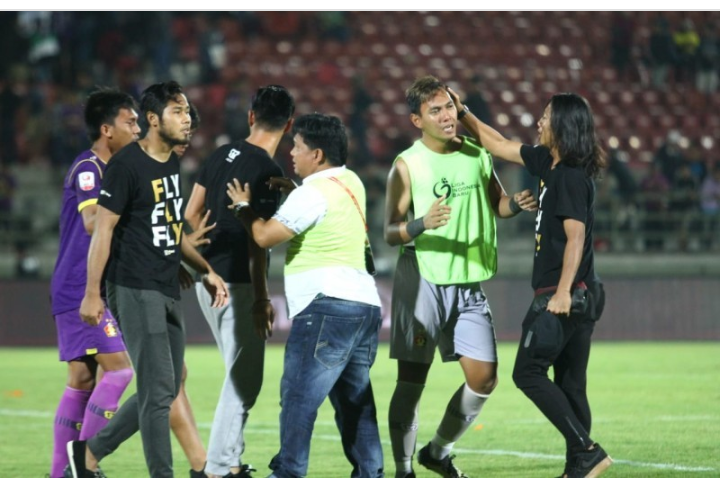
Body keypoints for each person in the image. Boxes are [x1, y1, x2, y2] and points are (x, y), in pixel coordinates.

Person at [447, 86, 612, 478]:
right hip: (583, 293)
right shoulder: (547, 163)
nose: (538, 121)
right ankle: (579, 467)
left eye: (546, 116)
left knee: (527, 372)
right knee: (571, 386)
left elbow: (575, 238)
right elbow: (498, 144)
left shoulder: (570, 177)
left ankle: (586, 451)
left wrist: (562, 293)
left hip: (566, 293)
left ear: (563, 127)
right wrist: (464, 112)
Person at [68, 81, 229, 478]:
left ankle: (88, 454)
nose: (187, 117)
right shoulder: (126, 166)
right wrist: (92, 294)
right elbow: (102, 231)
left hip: (167, 285)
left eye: (188, 110)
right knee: (159, 393)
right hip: (133, 286)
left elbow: (170, 228)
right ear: (154, 120)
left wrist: (203, 270)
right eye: (178, 110)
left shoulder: (171, 162)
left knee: (167, 389)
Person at [384, 75, 536, 479]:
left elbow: (496, 204)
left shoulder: (475, 153)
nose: (447, 116)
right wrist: (422, 223)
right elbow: (388, 232)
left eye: (449, 106)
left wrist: (515, 205)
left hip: (468, 280)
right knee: (412, 379)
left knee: (484, 378)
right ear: (417, 120)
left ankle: (437, 451)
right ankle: (402, 470)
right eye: (436, 110)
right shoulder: (406, 165)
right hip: (421, 278)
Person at [226, 113, 384, 478]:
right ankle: (371, 474)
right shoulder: (351, 182)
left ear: (317, 154)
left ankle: (288, 473)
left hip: (326, 307)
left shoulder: (311, 193)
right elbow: (325, 215)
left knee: (298, 397)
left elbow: (264, 236)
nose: (291, 152)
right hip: (364, 306)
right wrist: (295, 192)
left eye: (297, 146)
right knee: (354, 401)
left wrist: (242, 207)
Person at [183, 84, 295, 478]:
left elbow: (191, 213)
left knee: (240, 374)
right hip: (238, 284)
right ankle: (215, 469)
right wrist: (262, 298)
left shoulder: (219, 154)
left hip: (207, 279)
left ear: (251, 116)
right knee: (244, 379)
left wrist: (202, 263)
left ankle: (229, 461)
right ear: (289, 124)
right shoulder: (268, 171)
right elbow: (258, 240)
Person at [49, 88, 139, 478]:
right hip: (79, 286)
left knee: (82, 378)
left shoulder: (112, 170)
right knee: (119, 371)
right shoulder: (90, 168)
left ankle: (59, 473)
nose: (137, 128)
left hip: (84, 284)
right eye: (130, 122)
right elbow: (91, 222)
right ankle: (83, 464)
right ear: (107, 129)